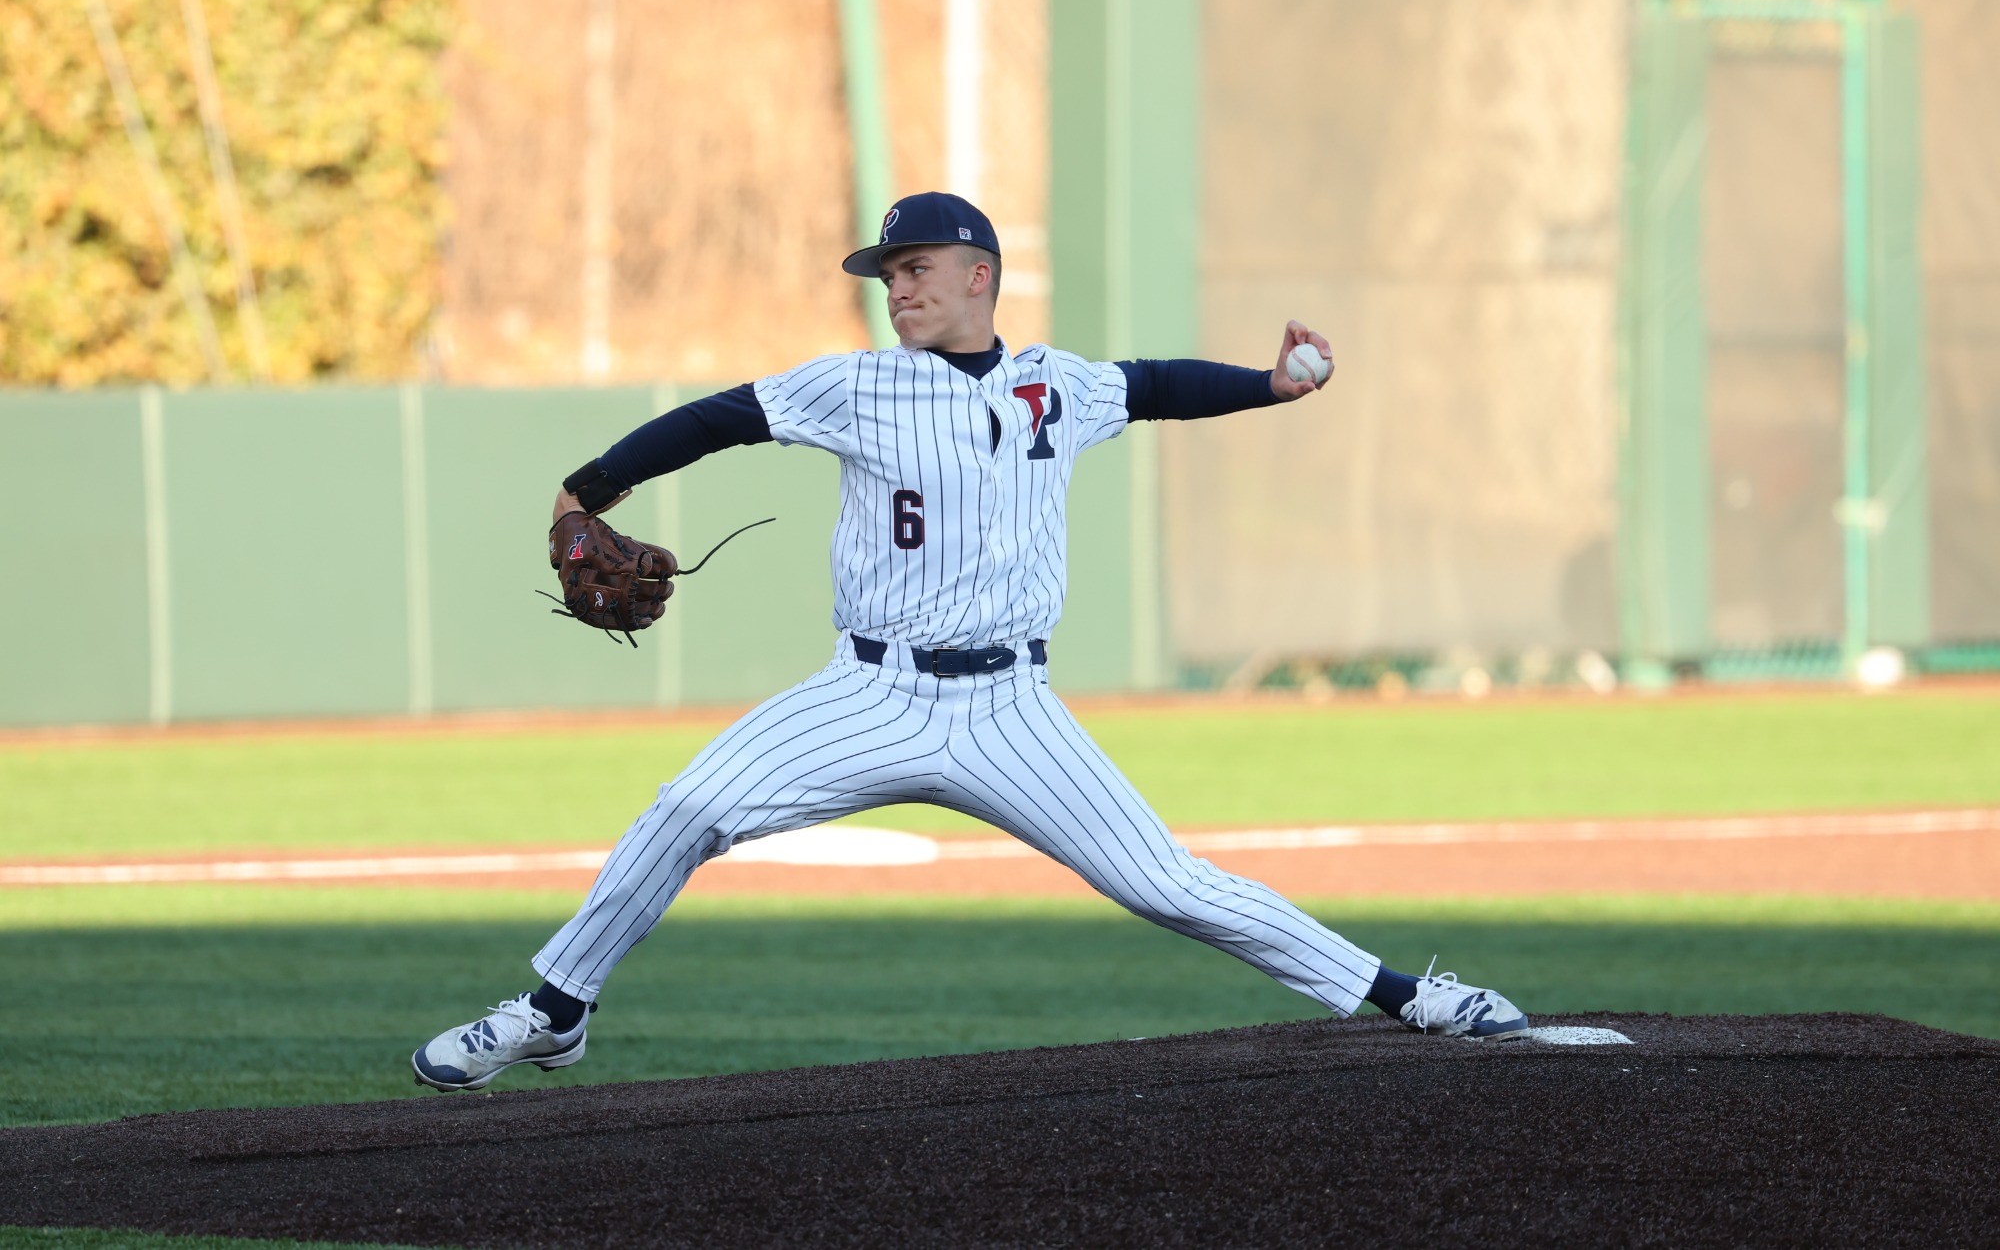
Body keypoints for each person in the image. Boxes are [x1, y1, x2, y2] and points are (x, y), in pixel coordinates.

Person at [412, 192, 1528, 1092]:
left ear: (977, 274)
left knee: (1167, 884)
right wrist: (585, 488)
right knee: (689, 808)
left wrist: (1271, 387)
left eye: (914, 268)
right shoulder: (857, 386)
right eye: (887, 274)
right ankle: (553, 1013)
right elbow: (713, 419)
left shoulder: (1055, 385)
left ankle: (1407, 995)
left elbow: (1153, 388)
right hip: (868, 691)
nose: (896, 288)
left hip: (1009, 709)